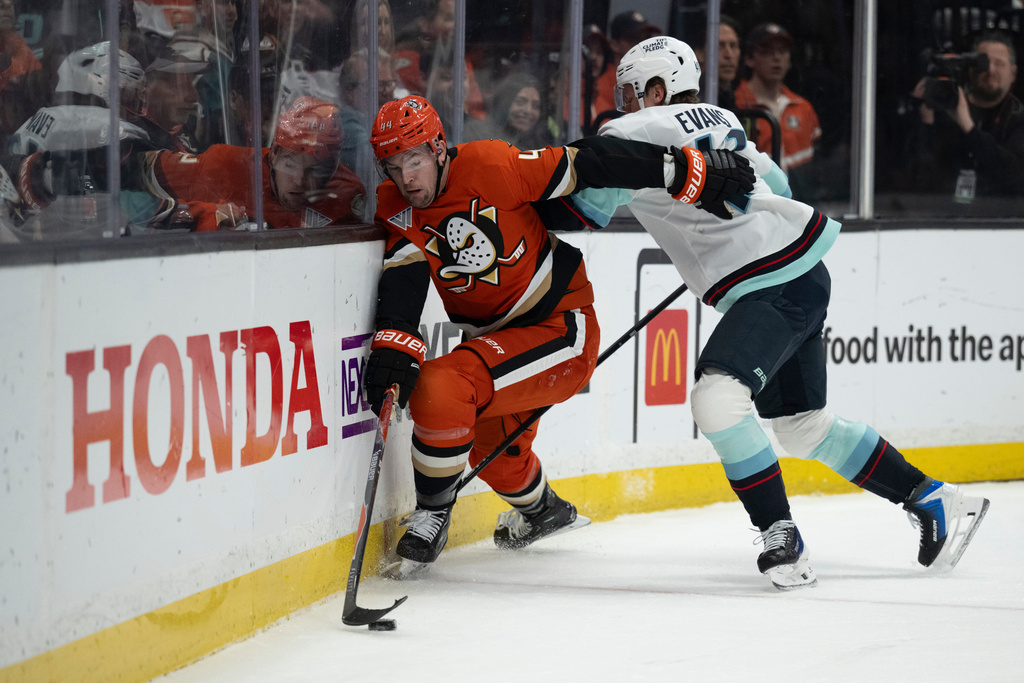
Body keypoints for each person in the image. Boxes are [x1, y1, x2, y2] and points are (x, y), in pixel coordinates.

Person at [571, 36, 990, 589]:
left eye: (630, 92)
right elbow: (778, 185)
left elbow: (585, 208)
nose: (623, 104)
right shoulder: (723, 117)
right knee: (801, 427)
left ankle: (782, 537)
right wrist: (723, 236)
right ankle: (934, 499)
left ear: (655, 89)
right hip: (802, 271)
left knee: (717, 398)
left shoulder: (627, 131)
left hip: (770, 286)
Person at [363, 94, 753, 575]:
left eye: (415, 160)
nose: (406, 179)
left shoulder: (493, 164)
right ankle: (545, 510)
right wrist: (395, 335)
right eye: (393, 166)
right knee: (493, 448)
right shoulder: (395, 204)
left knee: (441, 387)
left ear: (439, 147)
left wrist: (681, 170)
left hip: (561, 328)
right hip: (495, 342)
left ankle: (432, 514)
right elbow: (405, 271)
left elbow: (590, 161)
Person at [14, 96, 366, 231]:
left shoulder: (348, 195)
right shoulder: (226, 166)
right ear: (272, 154)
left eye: (318, 170)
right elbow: (138, 168)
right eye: (293, 163)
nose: (303, 182)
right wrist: (57, 176)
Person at [2, 42, 149, 240]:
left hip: (20, 232)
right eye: (129, 95)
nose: (134, 107)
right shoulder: (108, 127)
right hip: (74, 242)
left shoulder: (35, 119)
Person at [906, 30, 1024, 202]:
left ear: (1013, 73)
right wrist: (926, 122)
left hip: (1002, 220)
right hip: (942, 214)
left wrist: (968, 126)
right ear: (970, 70)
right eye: (982, 63)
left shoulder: (1018, 118)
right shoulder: (943, 108)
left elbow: (1013, 175)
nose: (990, 70)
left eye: (999, 63)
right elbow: (917, 179)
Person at [734, 23, 821, 184]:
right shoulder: (735, 105)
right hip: (754, 201)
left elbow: (815, 166)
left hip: (800, 201)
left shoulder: (804, 108)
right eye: (767, 51)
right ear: (749, 59)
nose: (776, 57)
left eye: (782, 50)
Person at [463, 72, 552, 150]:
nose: (528, 110)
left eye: (535, 106)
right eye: (520, 102)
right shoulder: (477, 133)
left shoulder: (539, 145)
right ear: (504, 103)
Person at [694, 14, 742, 112]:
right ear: (699, 54)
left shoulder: (741, 102)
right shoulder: (692, 104)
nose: (729, 55)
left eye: (733, 46)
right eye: (719, 46)